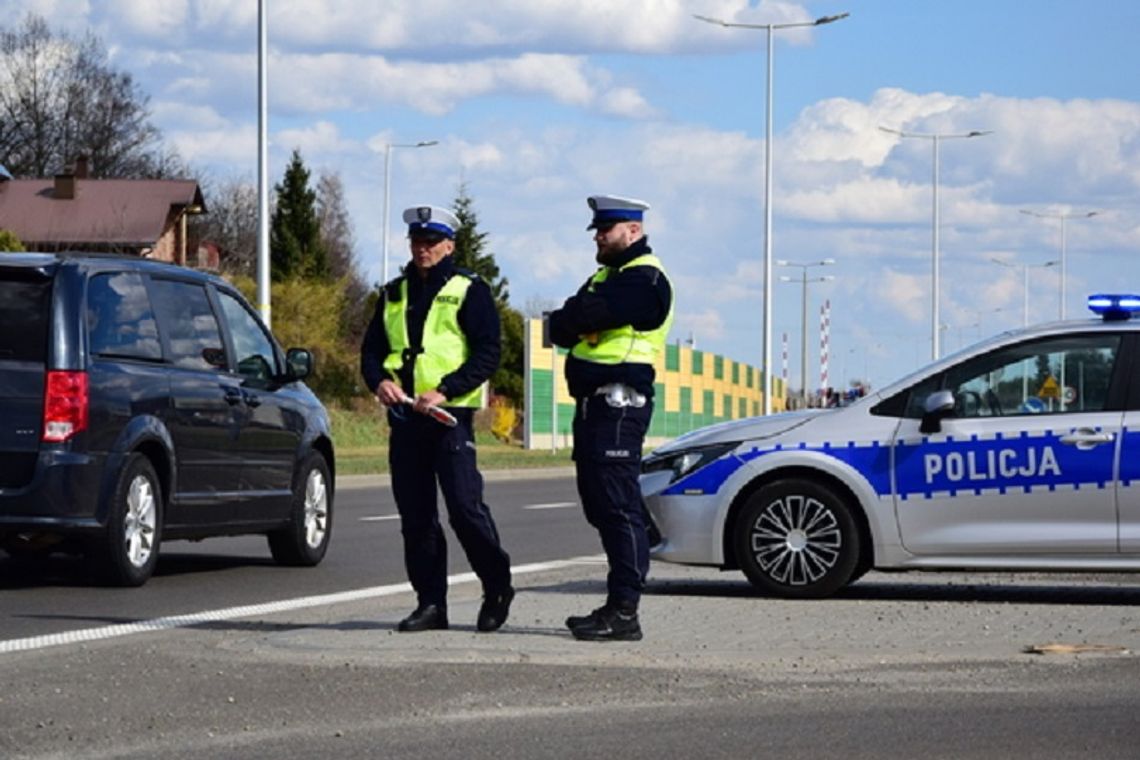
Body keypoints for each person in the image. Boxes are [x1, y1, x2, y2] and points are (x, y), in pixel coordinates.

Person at [360, 204, 513, 633]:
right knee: (416, 516)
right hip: (405, 417)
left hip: (448, 416)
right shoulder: (393, 292)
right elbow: (371, 352)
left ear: (449, 245)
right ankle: (431, 604)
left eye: (431, 242)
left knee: (465, 509)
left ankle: (497, 585)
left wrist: (445, 389)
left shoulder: (470, 289)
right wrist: (379, 383)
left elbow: (488, 353)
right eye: (417, 241)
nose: (423, 249)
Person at [548, 194, 674, 641]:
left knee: (617, 506)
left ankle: (626, 610)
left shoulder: (646, 278)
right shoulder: (605, 276)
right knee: (600, 504)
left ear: (633, 231)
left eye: (606, 230)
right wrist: (581, 318)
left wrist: (583, 316)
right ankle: (618, 599)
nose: (598, 237)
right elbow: (561, 324)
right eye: (597, 230)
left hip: (620, 406)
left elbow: (587, 313)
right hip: (594, 407)